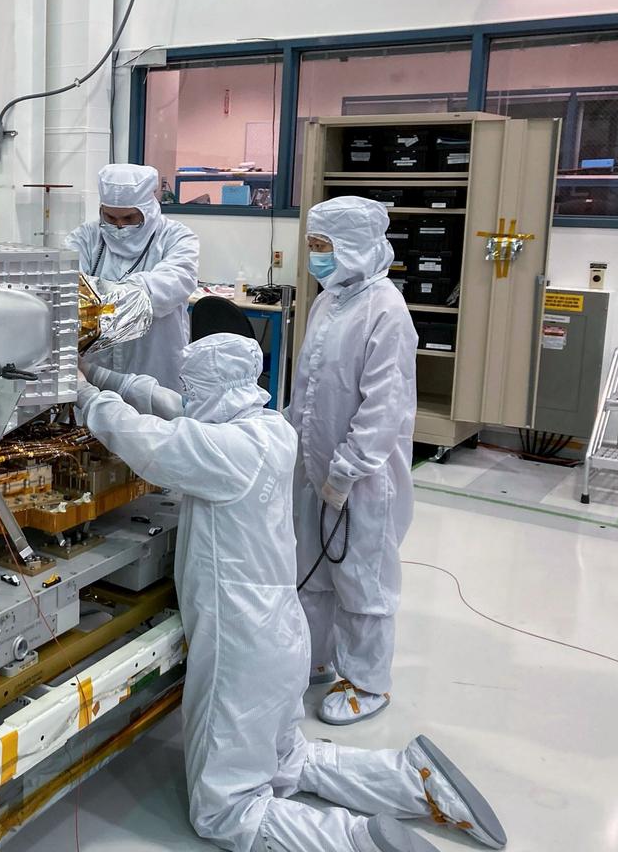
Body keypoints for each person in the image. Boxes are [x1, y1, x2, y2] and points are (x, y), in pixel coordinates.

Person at [76, 334, 504, 852]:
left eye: (193, 388)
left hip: (240, 646)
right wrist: (101, 376)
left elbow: (150, 441)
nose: (184, 397)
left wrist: (84, 396)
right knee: (285, 758)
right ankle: (412, 779)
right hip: (282, 635)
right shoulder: (269, 428)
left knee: (226, 810)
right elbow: (171, 406)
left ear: (214, 389)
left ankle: (355, 842)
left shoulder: (226, 452)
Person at [290, 195, 418, 726]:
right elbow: (311, 387)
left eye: (324, 247)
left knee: (362, 576)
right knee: (311, 570)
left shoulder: (386, 310)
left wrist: (347, 469)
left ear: (355, 246)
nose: (315, 258)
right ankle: (316, 661)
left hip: (363, 476)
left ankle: (368, 682)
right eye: (312, 246)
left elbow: (382, 407)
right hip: (312, 461)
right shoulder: (329, 300)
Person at [67, 164, 198, 391]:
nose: (119, 225)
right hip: (95, 365)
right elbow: (69, 286)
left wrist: (102, 297)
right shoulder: (86, 237)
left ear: (147, 210)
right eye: (110, 217)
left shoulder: (176, 238)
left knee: (153, 420)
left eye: (129, 218)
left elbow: (169, 286)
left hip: (154, 363)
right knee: (94, 420)